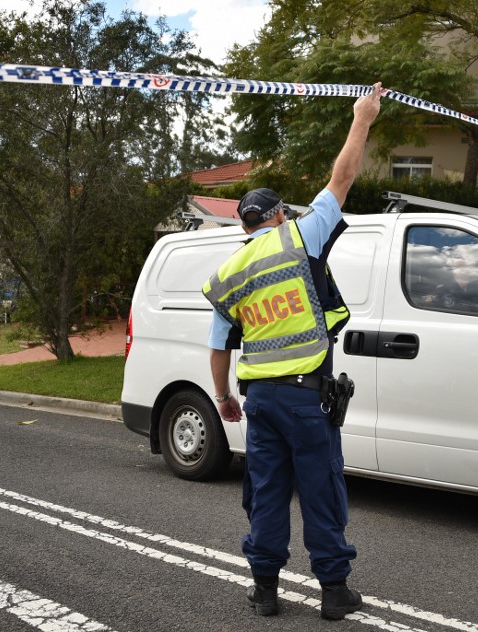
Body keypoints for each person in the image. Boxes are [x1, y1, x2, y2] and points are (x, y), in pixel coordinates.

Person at [202, 82, 383, 620]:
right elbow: (343, 176)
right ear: (279, 215)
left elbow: (218, 348)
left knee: (266, 493)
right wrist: (363, 116)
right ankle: (333, 593)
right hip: (308, 401)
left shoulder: (230, 272)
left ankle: (265, 591)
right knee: (322, 491)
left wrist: (222, 397)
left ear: (244, 224)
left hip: (260, 404)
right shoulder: (300, 237)